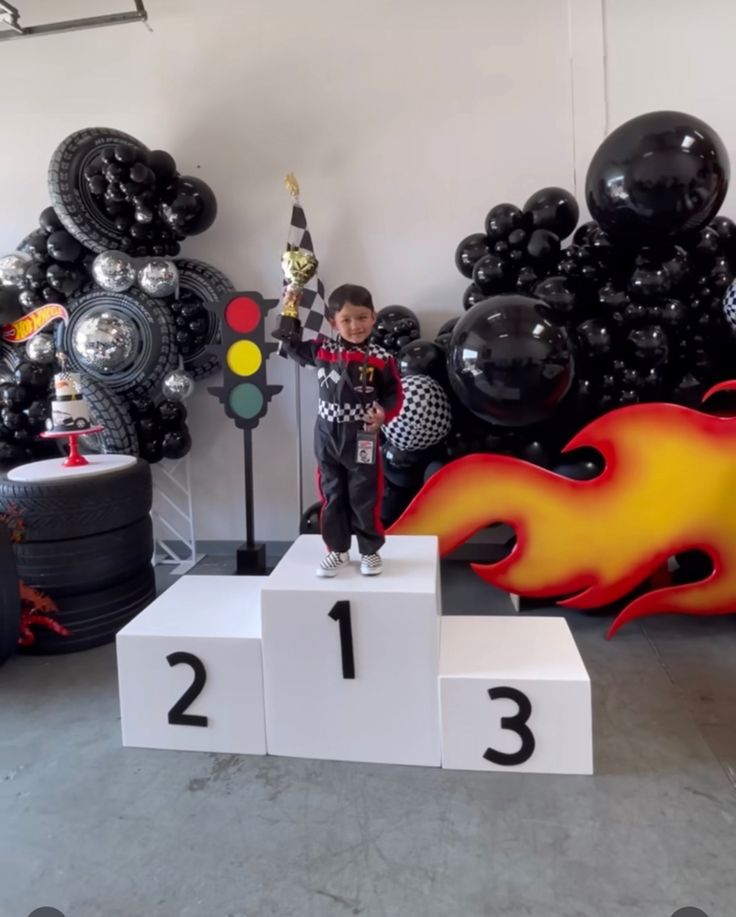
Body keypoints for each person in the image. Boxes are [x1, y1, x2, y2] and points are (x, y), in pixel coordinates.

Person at [282, 283, 403, 577]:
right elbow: (289, 344)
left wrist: (384, 414)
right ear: (332, 322)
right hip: (326, 437)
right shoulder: (322, 350)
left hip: (362, 436)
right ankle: (336, 551)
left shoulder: (382, 358)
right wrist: (289, 307)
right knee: (332, 494)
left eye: (362, 317)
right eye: (346, 319)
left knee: (365, 495)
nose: (355, 326)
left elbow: (394, 394)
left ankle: (370, 551)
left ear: (374, 317)